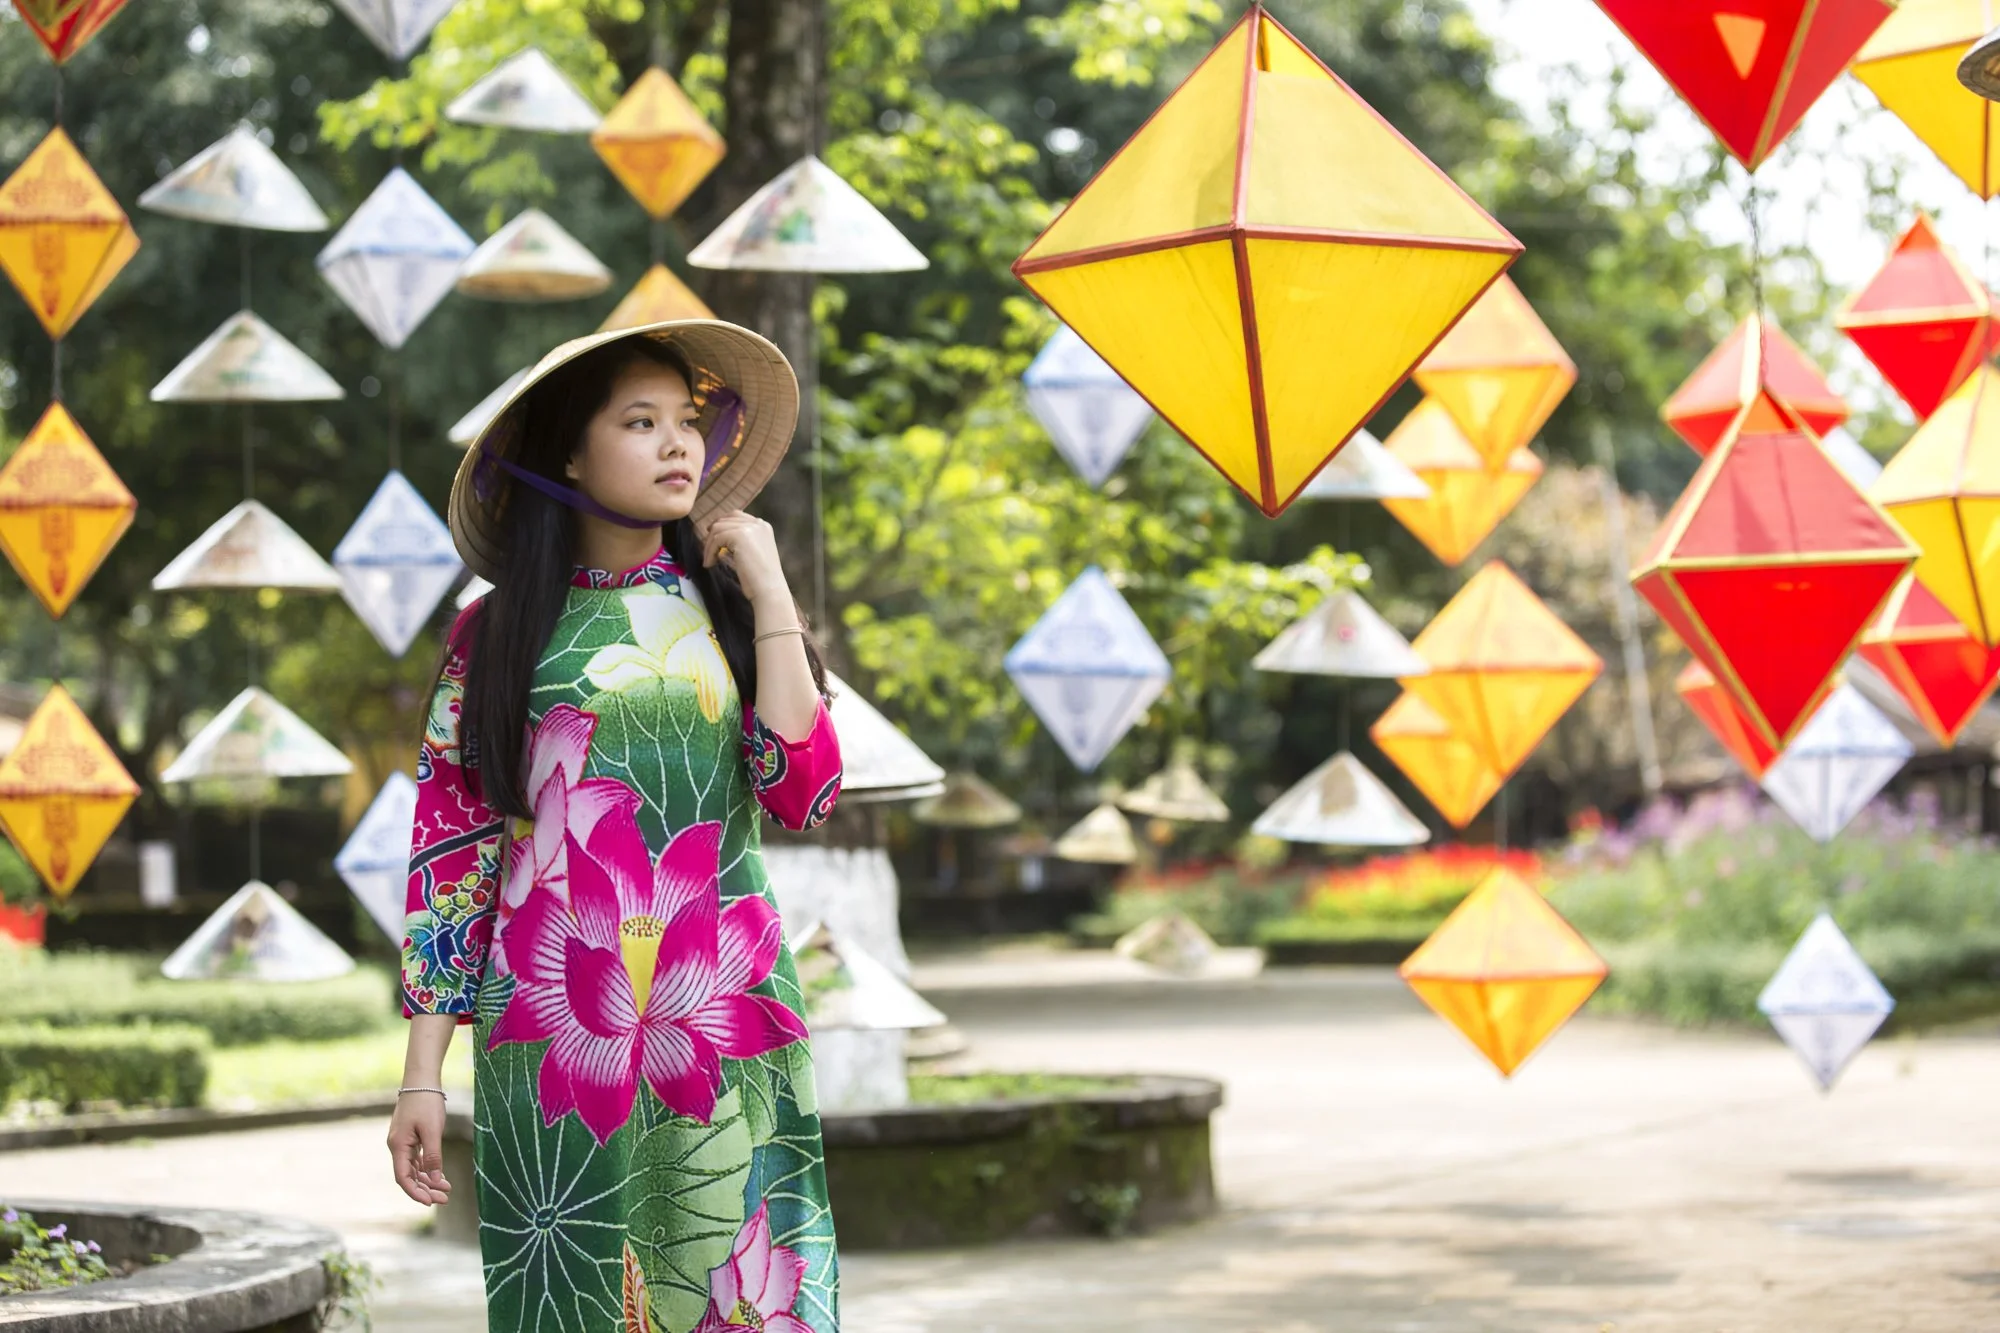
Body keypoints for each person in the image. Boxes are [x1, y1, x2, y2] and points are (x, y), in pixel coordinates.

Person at [386, 319, 843, 1333]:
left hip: (723, 1009)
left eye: (687, 423)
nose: (679, 444)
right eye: (640, 423)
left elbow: (800, 789)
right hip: (550, 1025)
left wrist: (769, 589)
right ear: (566, 453)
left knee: (743, 1301)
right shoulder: (493, 633)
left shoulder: (729, 608)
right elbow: (452, 861)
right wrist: (422, 1075)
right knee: (578, 1300)